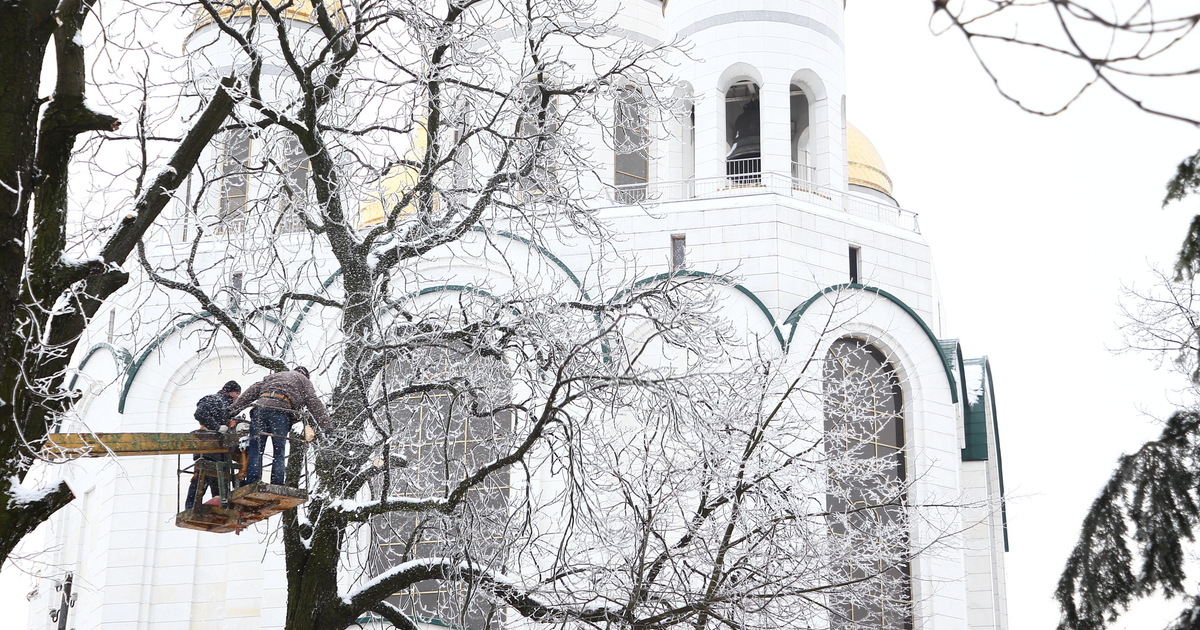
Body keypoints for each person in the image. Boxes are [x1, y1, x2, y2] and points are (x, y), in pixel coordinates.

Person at [227, 366, 331, 486]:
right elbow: (314, 402)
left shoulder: (275, 376)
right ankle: (277, 484)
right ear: (305, 375)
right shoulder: (304, 381)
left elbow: (251, 392)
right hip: (280, 412)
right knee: (278, 452)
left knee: (256, 450)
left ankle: (253, 482)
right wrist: (326, 426)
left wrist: (231, 411)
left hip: (260, 409)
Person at [185, 380, 241, 509]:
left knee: (212, 477)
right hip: (208, 444)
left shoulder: (226, 406)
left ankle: (202, 506)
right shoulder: (214, 399)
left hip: (217, 448)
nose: (237, 397)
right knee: (206, 476)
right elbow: (199, 414)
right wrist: (217, 427)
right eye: (237, 393)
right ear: (232, 392)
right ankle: (194, 506)